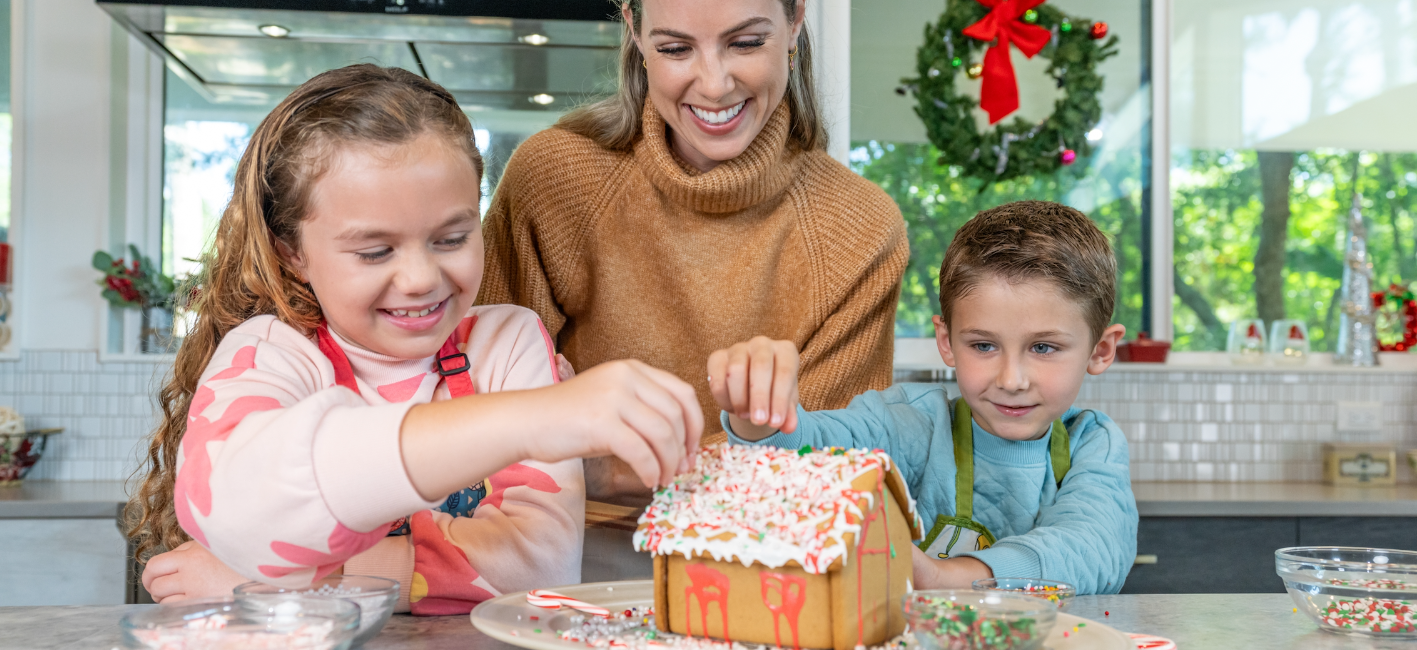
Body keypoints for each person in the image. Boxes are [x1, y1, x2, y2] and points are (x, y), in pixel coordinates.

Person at [125, 65, 703, 614]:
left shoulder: (508, 343)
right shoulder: (269, 354)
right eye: (375, 251)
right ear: (292, 252)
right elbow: (240, 510)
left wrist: (277, 583)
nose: (423, 278)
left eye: (452, 238)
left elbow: (538, 568)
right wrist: (529, 421)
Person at [478, 0, 909, 504]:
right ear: (635, 34)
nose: (713, 84)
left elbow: (822, 466)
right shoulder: (553, 180)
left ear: (794, 23)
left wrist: (610, 471)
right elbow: (480, 409)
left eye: (746, 43)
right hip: (564, 545)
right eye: (676, 48)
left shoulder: (859, 229)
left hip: (759, 558)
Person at [708, 200, 1138, 595]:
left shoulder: (1092, 445)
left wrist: (943, 576)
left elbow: (1092, 546)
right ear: (947, 341)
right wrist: (757, 414)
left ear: (1100, 350)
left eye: (1043, 348)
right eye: (983, 346)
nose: (1012, 379)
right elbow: (808, 454)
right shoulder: (913, 424)